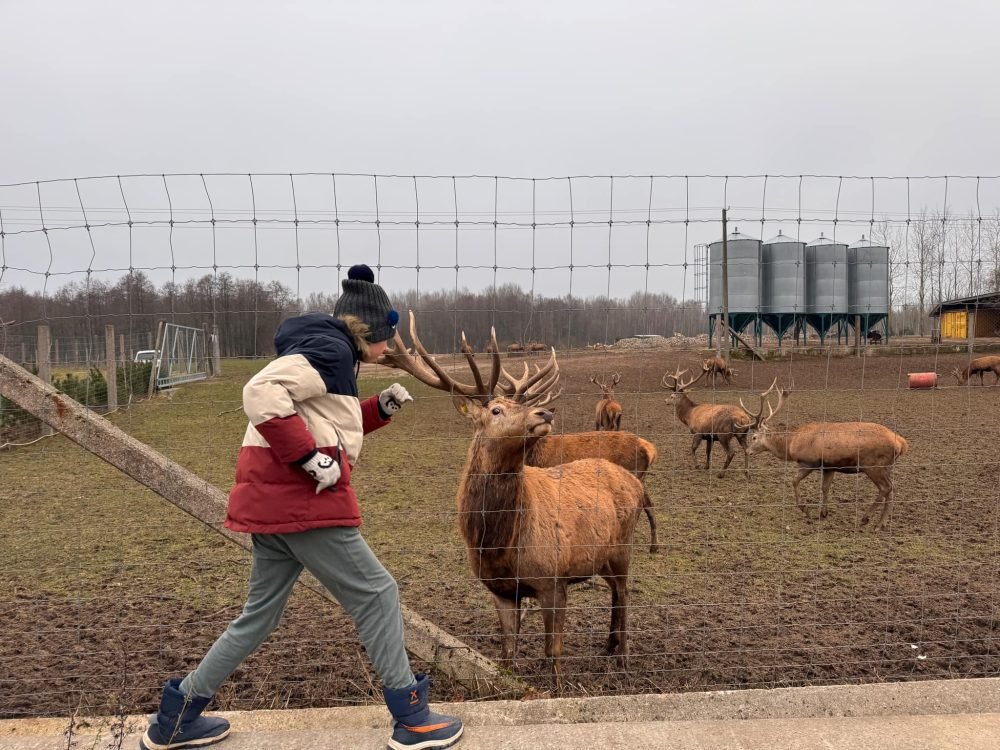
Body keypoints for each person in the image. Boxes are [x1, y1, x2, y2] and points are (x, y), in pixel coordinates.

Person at [141, 264, 464, 750]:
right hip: (302, 504)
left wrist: (379, 409)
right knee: (378, 594)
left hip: (274, 505)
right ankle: (412, 717)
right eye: (386, 340)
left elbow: (322, 421)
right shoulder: (331, 349)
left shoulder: (328, 353)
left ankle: (177, 717)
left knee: (258, 617)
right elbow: (260, 393)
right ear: (370, 331)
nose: (390, 350)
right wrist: (310, 460)